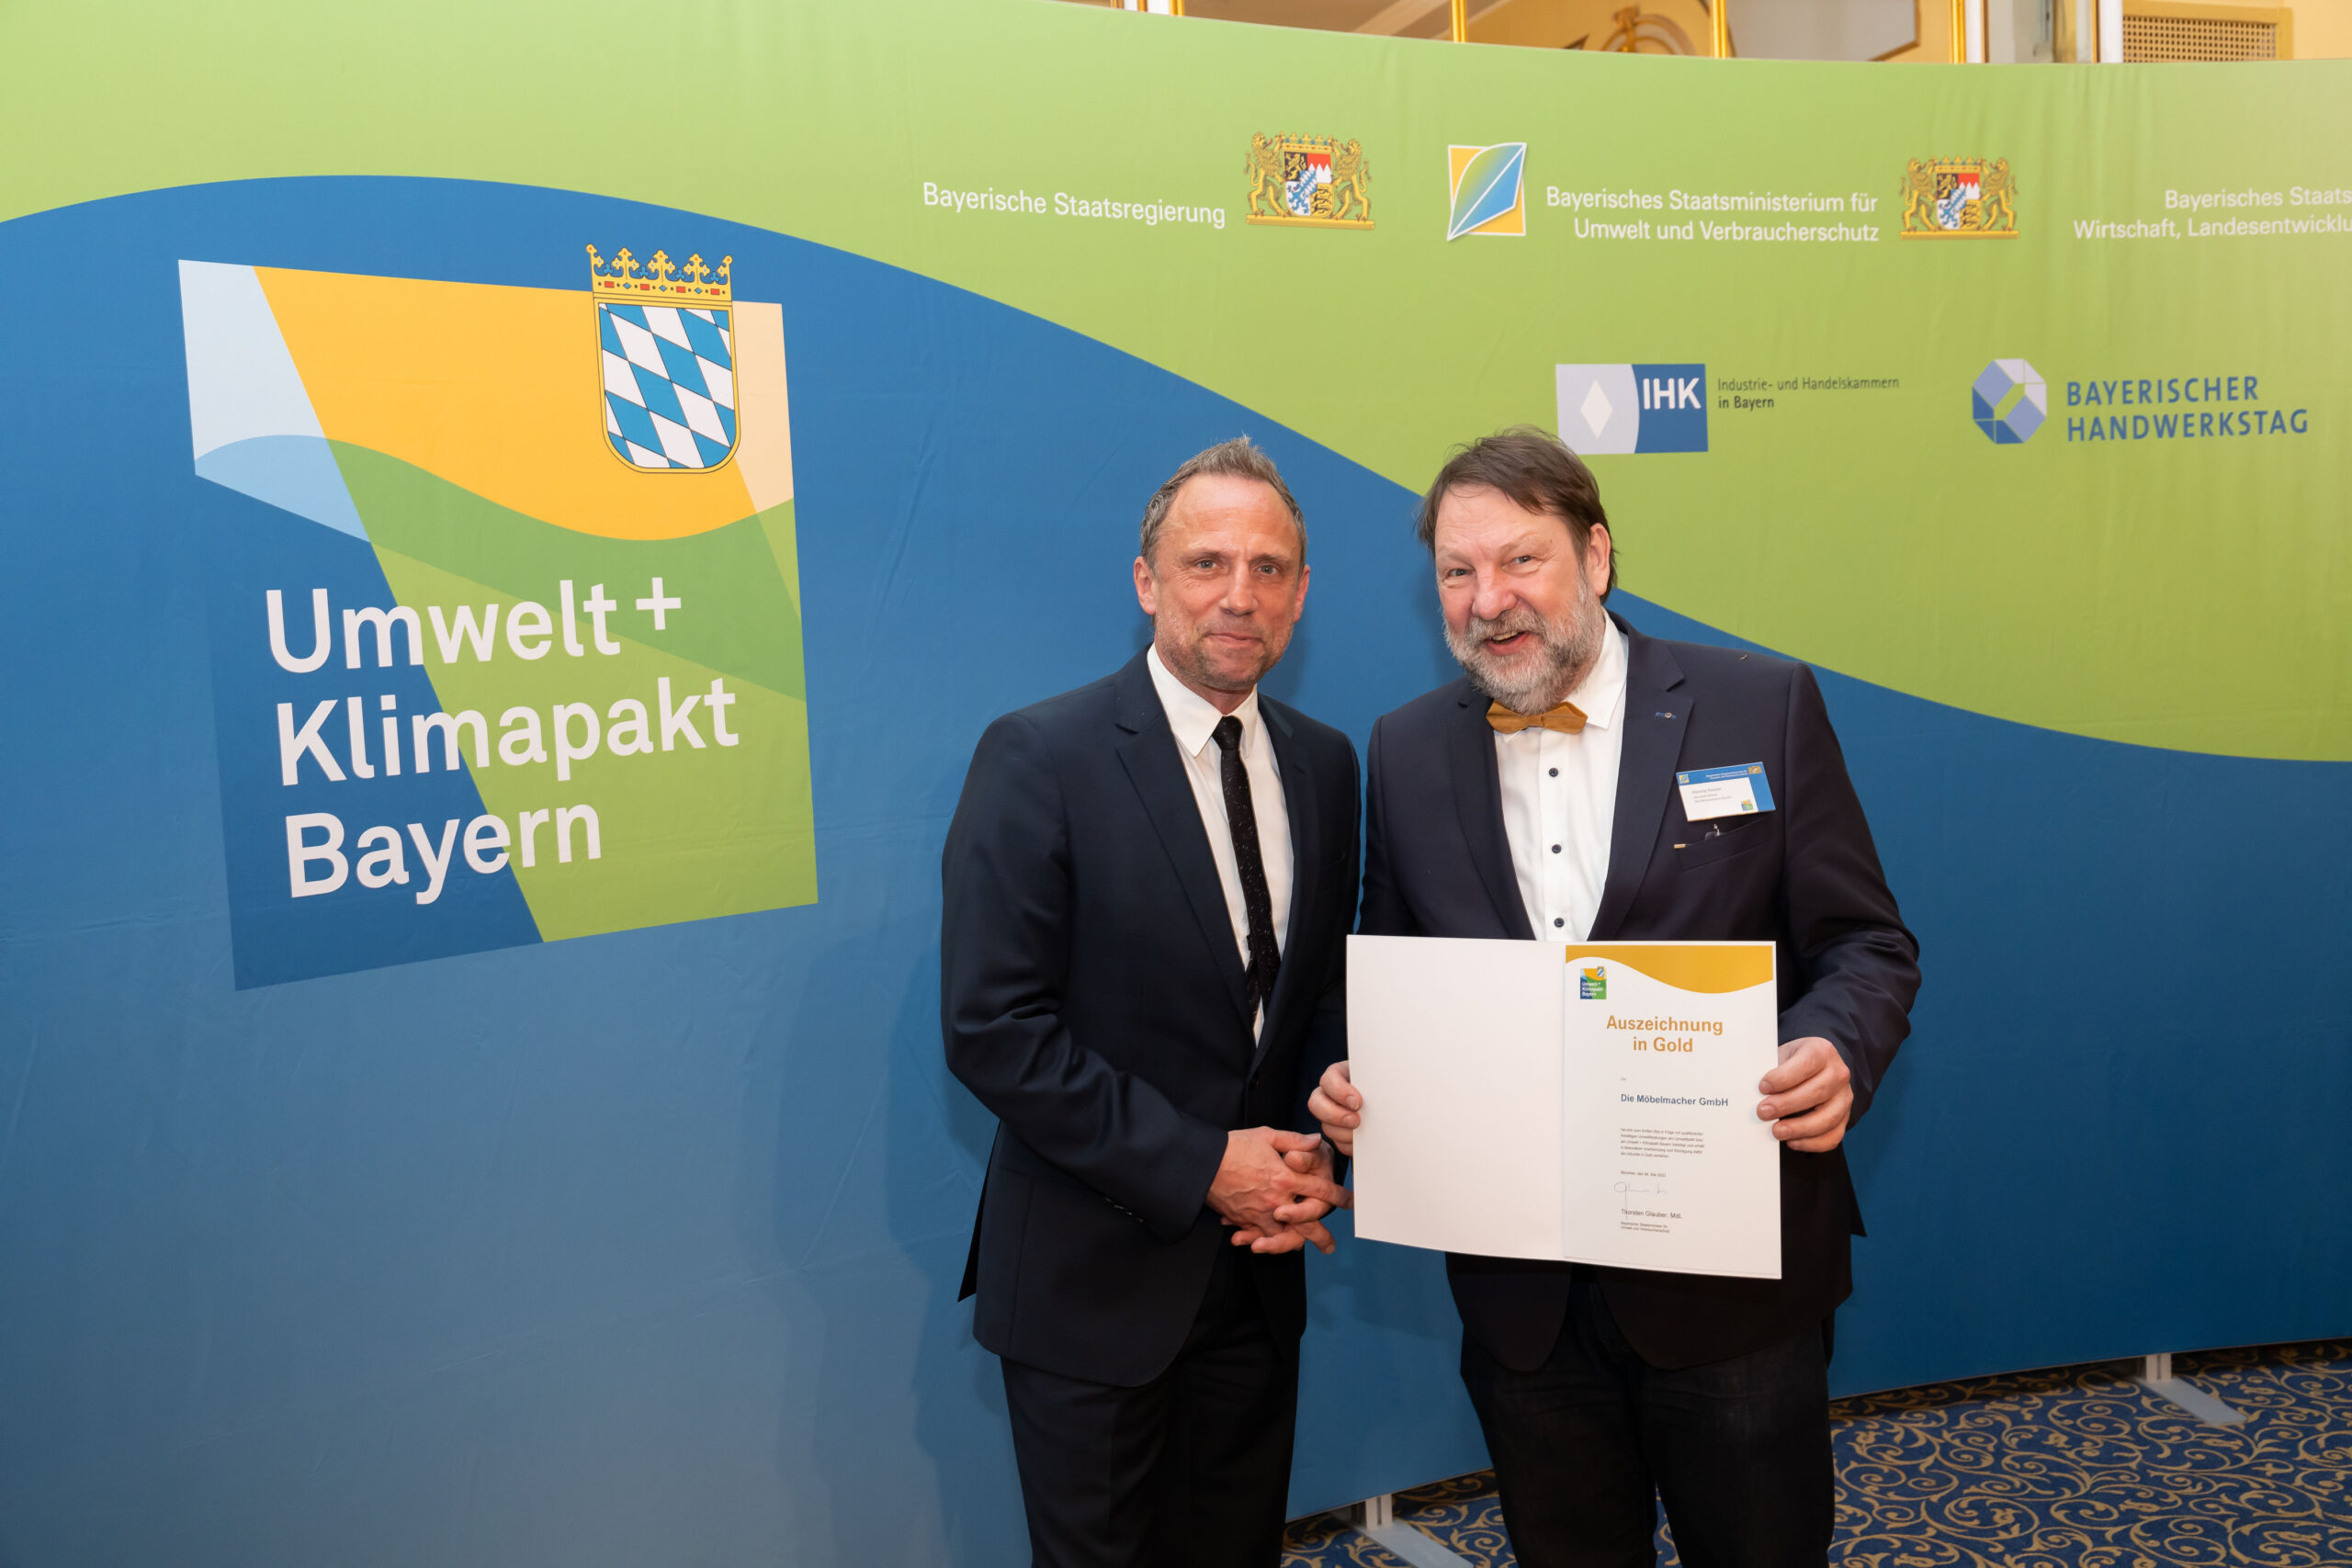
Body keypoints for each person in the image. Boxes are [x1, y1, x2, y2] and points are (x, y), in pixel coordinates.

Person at [1310, 428, 1919, 1568]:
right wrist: (1353, 1075)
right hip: (1523, 1306)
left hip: (1729, 1282)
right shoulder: (1406, 751)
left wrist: (1834, 1047)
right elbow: (1388, 977)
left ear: (1594, 556)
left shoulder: (1759, 705)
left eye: (1520, 559)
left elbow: (1866, 944)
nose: (1488, 599)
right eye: (1456, 570)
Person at [942, 437, 1361, 1567]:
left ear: (1301, 593)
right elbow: (994, 1030)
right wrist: (1203, 1164)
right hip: (1092, 1288)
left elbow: (1320, 995)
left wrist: (1316, 1154)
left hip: (1258, 1278)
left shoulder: (1326, 765)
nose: (1239, 595)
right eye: (1205, 563)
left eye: (1269, 568)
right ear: (1146, 581)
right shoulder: (1039, 755)